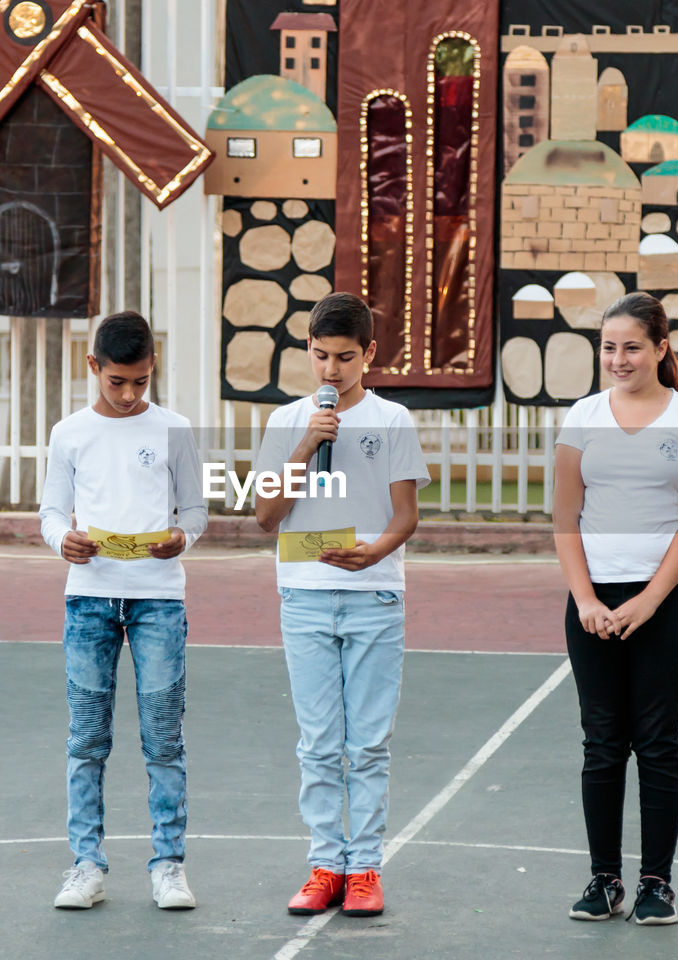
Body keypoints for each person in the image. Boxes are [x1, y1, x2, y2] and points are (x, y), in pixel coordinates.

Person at [254, 292, 429, 918]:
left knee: (370, 742)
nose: (331, 371)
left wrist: (374, 551)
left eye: (346, 358)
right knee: (319, 741)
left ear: (370, 355)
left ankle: (365, 869)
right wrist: (304, 446)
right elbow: (266, 518)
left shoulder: (393, 420)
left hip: (374, 596)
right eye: (321, 356)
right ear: (307, 348)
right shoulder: (285, 423)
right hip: (303, 596)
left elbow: (405, 516)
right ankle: (326, 863)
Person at [552, 292, 678, 926]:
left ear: (660, 348)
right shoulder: (583, 418)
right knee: (601, 744)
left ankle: (655, 883)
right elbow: (565, 519)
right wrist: (587, 600)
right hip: (593, 605)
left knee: (656, 745)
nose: (618, 359)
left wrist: (649, 601)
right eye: (609, 347)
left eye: (631, 347)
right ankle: (603, 880)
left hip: (664, 605)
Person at [38, 311, 207, 911]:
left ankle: (169, 865)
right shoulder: (70, 433)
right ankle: (86, 864)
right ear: (94, 369)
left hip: (158, 597)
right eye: (117, 382)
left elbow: (196, 510)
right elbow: (51, 513)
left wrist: (180, 540)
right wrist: (66, 542)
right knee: (87, 738)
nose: (131, 394)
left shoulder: (175, 430)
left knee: (164, 736)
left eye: (140, 381)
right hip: (88, 596)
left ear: (152, 365)